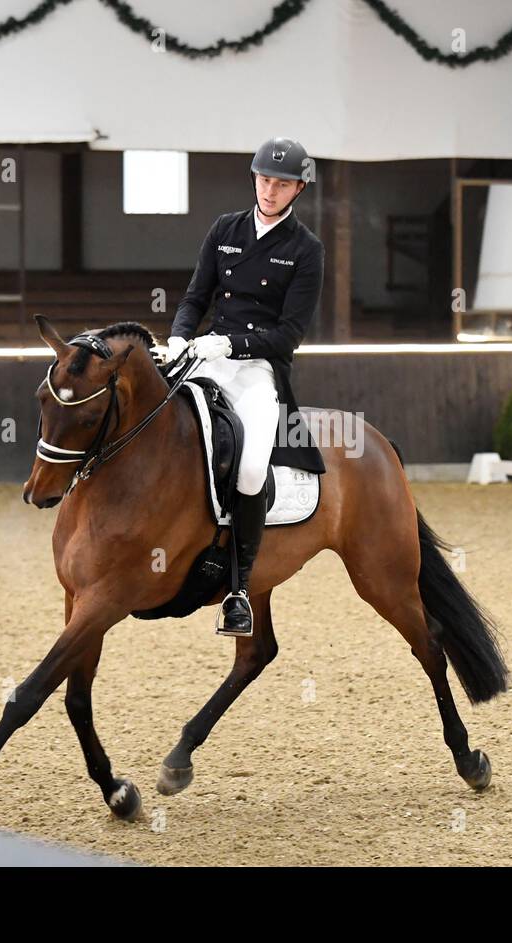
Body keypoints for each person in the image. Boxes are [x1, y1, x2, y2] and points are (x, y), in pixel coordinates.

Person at [153, 136, 326, 637]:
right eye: (264, 179)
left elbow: (288, 334)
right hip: (202, 355)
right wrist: (179, 338)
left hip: (256, 370)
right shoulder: (224, 229)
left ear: (298, 188)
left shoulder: (305, 250)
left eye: (281, 183)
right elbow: (194, 297)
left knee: (250, 468)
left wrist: (228, 345)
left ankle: (238, 590)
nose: (270, 190)